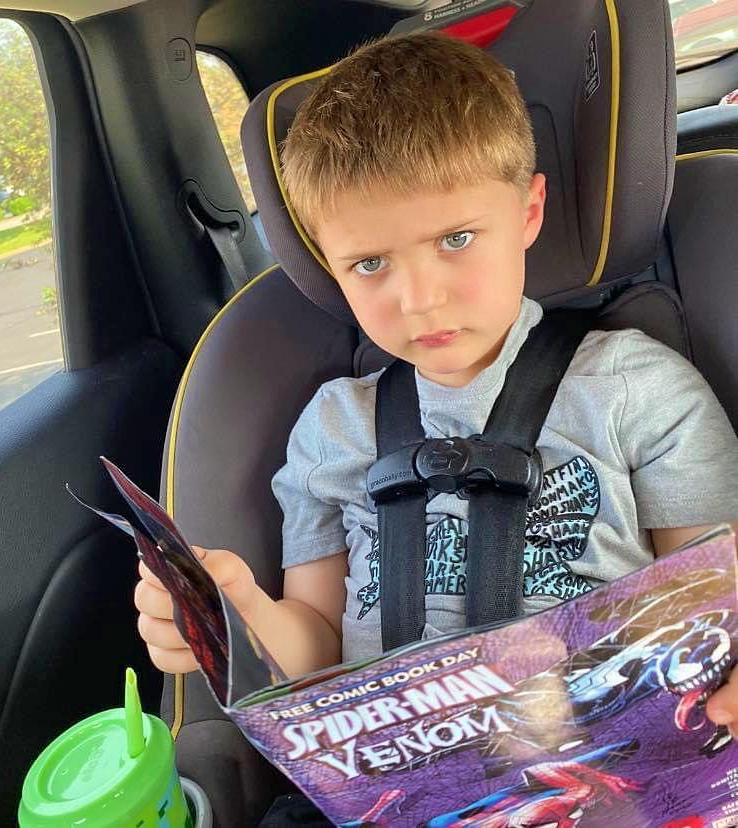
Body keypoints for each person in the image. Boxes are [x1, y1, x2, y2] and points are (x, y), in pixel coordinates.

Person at [134, 31, 738, 819]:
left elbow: (705, 610)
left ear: (528, 211)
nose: (419, 299)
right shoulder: (332, 430)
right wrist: (236, 611)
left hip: (608, 780)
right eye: (370, 264)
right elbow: (316, 644)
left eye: (456, 239)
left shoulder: (637, 390)